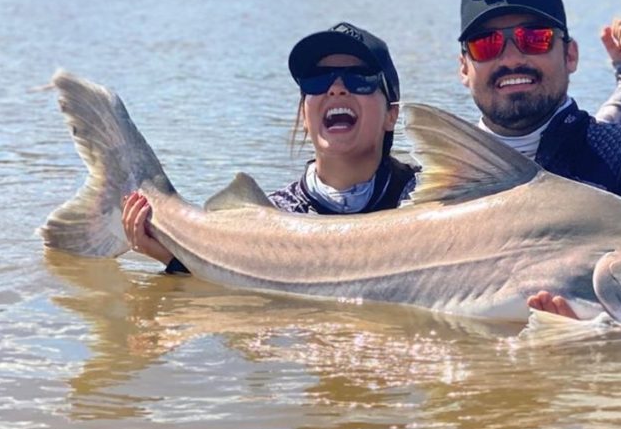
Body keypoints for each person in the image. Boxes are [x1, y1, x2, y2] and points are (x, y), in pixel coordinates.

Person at [455, 0, 621, 319]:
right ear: (464, 68)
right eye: (486, 45)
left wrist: (595, 347)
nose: (511, 58)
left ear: (570, 55)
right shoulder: (429, 183)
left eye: (533, 39)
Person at [122, 22, 417, 273]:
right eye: (317, 81)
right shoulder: (275, 213)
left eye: (359, 78)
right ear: (304, 115)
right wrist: (176, 261)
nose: (336, 88)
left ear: (392, 114)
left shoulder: (429, 197)